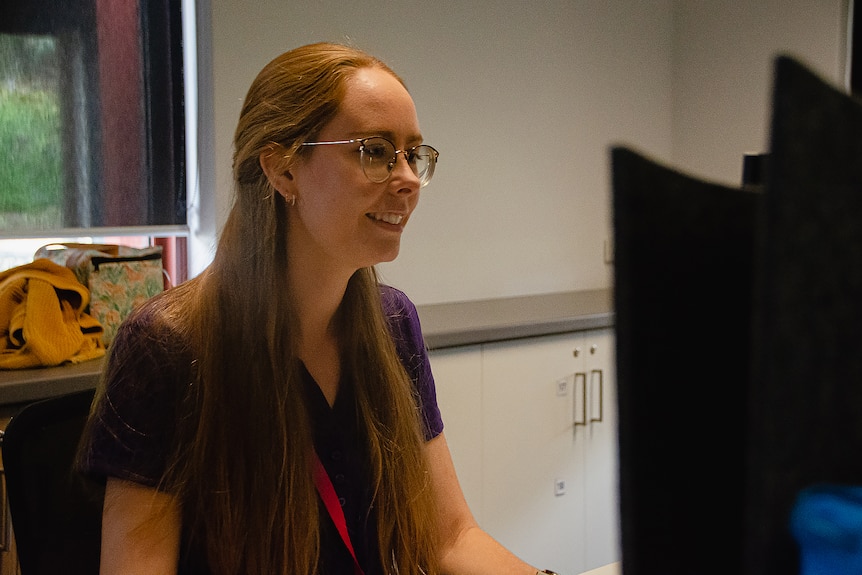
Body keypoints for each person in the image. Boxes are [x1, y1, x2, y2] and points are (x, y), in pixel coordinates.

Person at [77, 42, 555, 575]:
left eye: (413, 155)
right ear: (283, 172)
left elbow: (450, 536)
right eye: (375, 151)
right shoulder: (167, 346)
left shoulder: (392, 325)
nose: (409, 179)